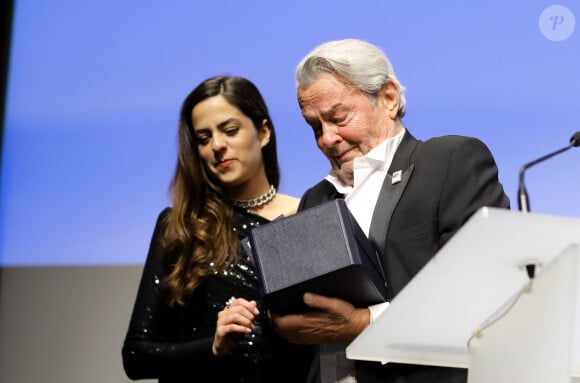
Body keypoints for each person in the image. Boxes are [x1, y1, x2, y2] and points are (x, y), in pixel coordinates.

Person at [270, 38, 511, 383]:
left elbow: (487, 289)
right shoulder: (315, 198)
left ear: (388, 98)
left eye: (338, 117)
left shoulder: (448, 162)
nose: (327, 138)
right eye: (314, 127)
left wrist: (364, 324)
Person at [122, 75, 311, 382]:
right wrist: (213, 346)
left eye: (230, 130)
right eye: (204, 138)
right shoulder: (181, 227)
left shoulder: (304, 216)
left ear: (263, 133)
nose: (218, 146)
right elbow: (136, 356)